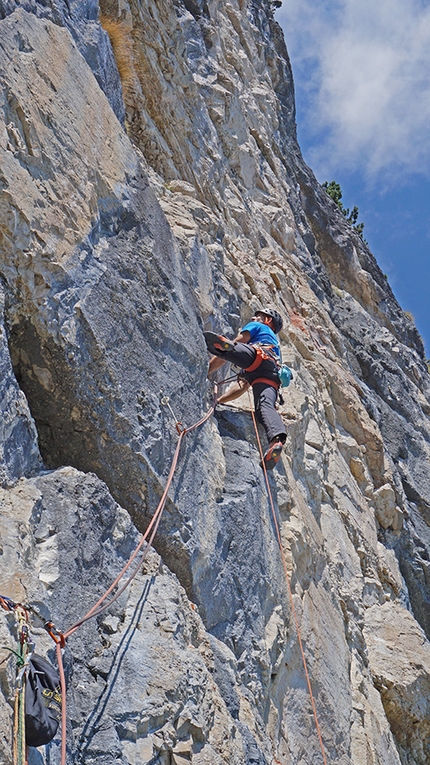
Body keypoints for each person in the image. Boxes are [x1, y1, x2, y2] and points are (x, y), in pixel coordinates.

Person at [204, 308, 287, 470]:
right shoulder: (275, 345)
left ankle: (224, 345)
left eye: (259, 316)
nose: (253, 317)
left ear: (267, 320)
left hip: (257, 355)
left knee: (229, 349)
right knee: (265, 408)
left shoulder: (259, 326)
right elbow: (242, 386)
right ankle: (276, 441)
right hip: (271, 374)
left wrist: (205, 372)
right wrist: (219, 401)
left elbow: (241, 340)